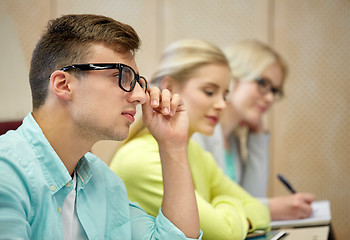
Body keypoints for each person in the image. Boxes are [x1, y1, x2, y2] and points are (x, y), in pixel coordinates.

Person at [0, 14, 202, 239]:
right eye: (121, 76)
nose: (140, 96)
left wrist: (172, 145)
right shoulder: (6, 172)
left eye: (137, 81)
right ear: (63, 84)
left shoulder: (102, 180)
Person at [110, 39, 270, 240]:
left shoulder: (195, 152)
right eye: (209, 92)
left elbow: (260, 210)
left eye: (225, 95)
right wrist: (228, 203)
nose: (221, 104)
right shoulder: (142, 159)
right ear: (169, 87)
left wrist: (224, 209)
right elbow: (224, 234)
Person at [192, 39, 315, 220]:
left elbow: (251, 199)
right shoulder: (199, 133)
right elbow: (201, 211)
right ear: (232, 77)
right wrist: (270, 209)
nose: (270, 98)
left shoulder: (231, 139)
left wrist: (258, 137)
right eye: (263, 84)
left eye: (275, 90)